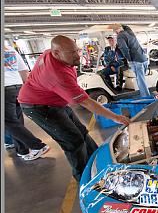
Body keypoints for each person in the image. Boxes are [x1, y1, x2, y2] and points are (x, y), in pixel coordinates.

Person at [18, 35, 130, 182]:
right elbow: (87, 103)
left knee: (83, 133)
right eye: (72, 53)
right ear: (56, 53)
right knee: (73, 142)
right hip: (38, 107)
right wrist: (116, 117)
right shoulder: (58, 75)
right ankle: (84, 179)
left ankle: (98, 163)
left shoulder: (50, 53)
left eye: (77, 50)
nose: (77, 55)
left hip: (54, 101)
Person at [4, 44, 50, 161]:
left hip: (4, 88)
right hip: (16, 86)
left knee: (8, 122)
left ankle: (38, 146)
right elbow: (23, 71)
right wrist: (26, 87)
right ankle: (22, 150)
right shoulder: (10, 49)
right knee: (16, 121)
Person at [111, 24, 150, 97]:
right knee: (142, 79)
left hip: (135, 60)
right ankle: (145, 94)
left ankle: (145, 97)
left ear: (116, 31)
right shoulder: (129, 32)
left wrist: (129, 59)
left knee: (140, 80)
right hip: (143, 58)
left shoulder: (120, 36)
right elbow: (126, 26)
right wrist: (120, 25)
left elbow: (124, 49)